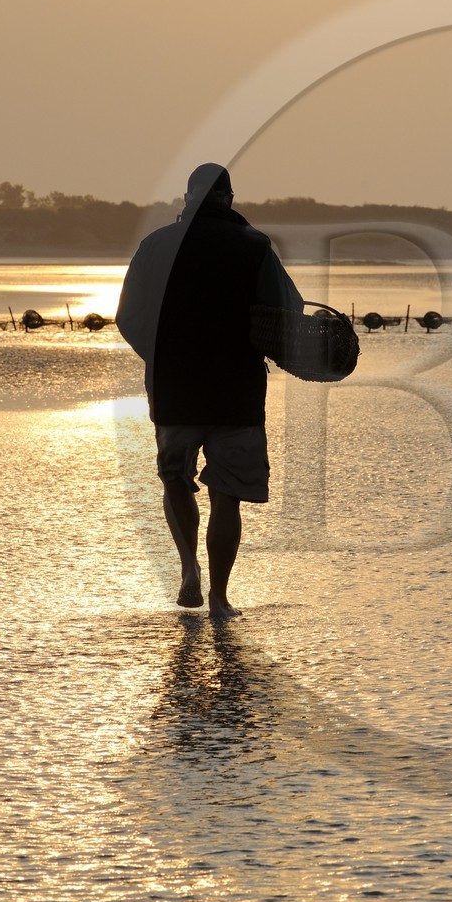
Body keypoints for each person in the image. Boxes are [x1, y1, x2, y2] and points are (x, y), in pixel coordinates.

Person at [117, 163, 302, 618]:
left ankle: (188, 570)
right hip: (235, 394)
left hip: (174, 392)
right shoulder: (254, 245)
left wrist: (162, 358)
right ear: (230, 198)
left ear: (187, 198)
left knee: (175, 480)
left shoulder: (155, 245)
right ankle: (219, 598)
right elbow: (289, 309)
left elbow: (127, 316)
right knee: (227, 495)